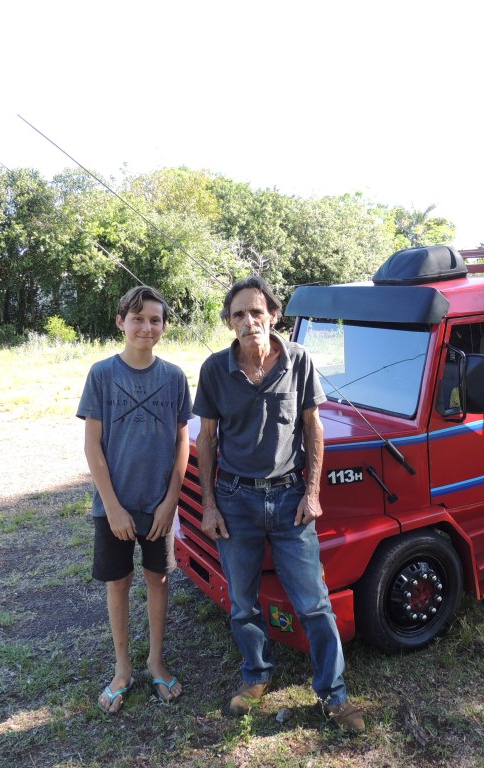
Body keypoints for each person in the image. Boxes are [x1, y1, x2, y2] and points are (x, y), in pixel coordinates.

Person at [193, 275, 365, 732]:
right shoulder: (213, 370)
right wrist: (209, 503)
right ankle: (256, 675)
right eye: (238, 315)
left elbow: (314, 429)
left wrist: (312, 493)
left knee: (313, 602)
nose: (249, 321)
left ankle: (334, 694)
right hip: (235, 500)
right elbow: (207, 440)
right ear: (229, 324)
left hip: (290, 499)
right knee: (243, 602)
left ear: (273, 315)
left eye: (256, 311)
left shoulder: (299, 360)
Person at [77, 285, 191, 714]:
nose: (147, 326)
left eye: (155, 319)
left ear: (163, 326)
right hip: (114, 507)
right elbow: (93, 447)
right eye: (138, 318)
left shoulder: (175, 377)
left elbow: (183, 444)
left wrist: (170, 503)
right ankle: (122, 668)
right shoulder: (102, 375)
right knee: (118, 582)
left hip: (158, 506)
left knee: (158, 580)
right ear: (121, 322)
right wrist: (113, 507)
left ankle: (156, 662)